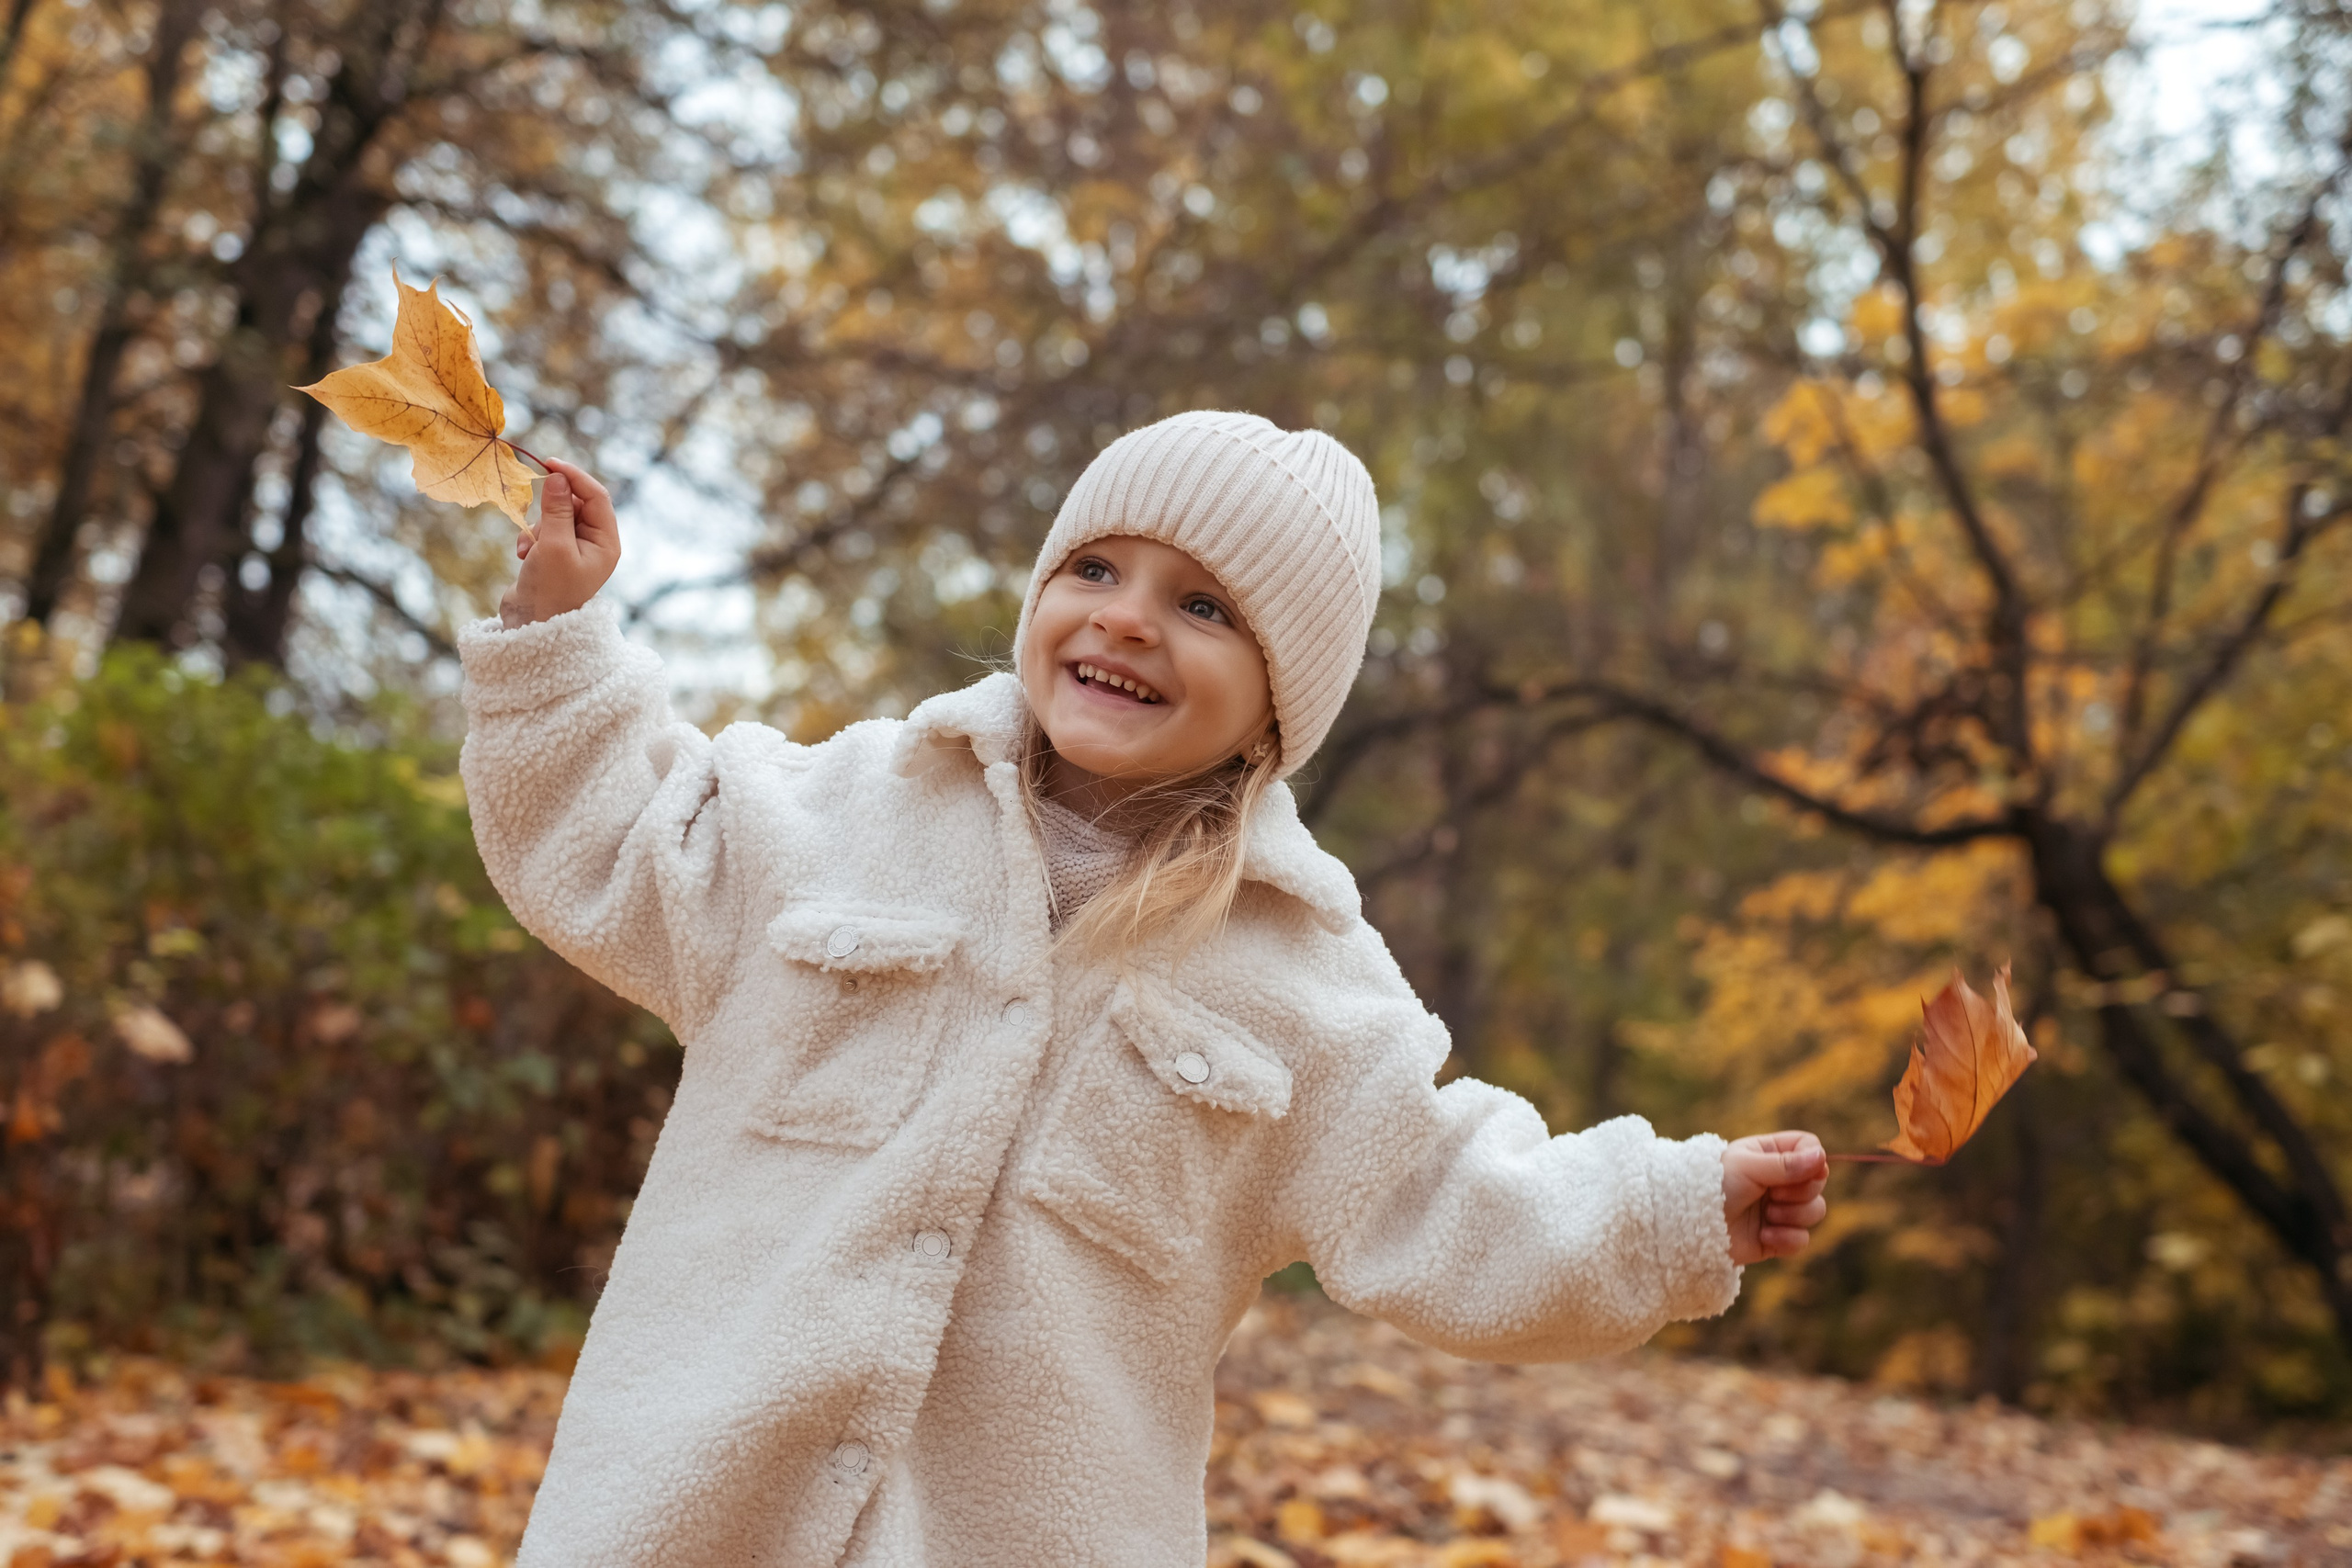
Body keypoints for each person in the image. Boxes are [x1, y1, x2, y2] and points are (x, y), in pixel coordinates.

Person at [459, 411, 1829, 1566]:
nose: (1126, 619)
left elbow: (1448, 1192)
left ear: (1281, 697)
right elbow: (613, 847)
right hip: (689, 1514)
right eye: (1096, 568)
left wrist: (1669, 1210)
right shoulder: (837, 810)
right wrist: (556, 634)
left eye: (1204, 605)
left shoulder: (1300, 976)